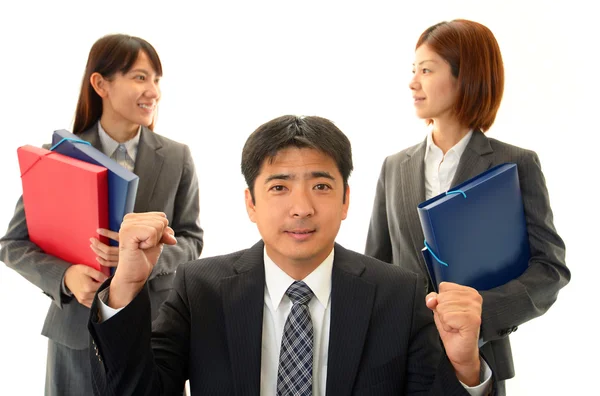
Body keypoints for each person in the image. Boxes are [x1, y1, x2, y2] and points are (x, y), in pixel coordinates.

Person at [88, 115, 493, 395]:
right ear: (250, 203)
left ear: (346, 200)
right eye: (279, 188)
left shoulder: (398, 294)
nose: (301, 207)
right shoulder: (200, 289)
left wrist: (465, 367)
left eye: (320, 186)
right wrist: (125, 284)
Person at [365, 19, 570, 394]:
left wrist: (481, 312)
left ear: (467, 77)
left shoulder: (516, 164)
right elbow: (377, 265)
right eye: (414, 71)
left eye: (426, 70)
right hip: (399, 362)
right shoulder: (394, 167)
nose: (413, 83)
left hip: (479, 363)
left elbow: (550, 270)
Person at [0, 34, 204, 396]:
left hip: (153, 327)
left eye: (157, 80)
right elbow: (13, 244)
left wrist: (143, 261)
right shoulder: (58, 156)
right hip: (75, 335)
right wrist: (67, 277)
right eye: (141, 77)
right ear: (101, 84)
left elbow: (191, 239)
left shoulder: (177, 157)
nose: (153, 91)